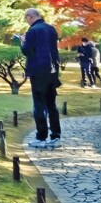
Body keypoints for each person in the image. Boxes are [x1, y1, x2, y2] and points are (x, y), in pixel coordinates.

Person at [18, 8, 62, 149]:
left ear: (31, 17)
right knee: (51, 105)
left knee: (39, 105)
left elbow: (27, 51)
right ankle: (55, 136)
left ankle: (41, 136)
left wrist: (22, 41)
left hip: (38, 70)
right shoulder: (51, 29)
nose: (27, 21)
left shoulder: (33, 31)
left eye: (27, 18)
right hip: (52, 70)